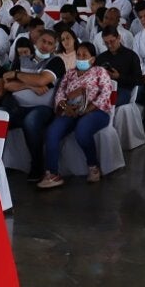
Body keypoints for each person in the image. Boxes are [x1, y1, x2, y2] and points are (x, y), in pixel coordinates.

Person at [37, 43, 115, 188]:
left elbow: (105, 94)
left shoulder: (100, 71)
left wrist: (86, 109)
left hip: (96, 111)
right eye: (78, 55)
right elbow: (60, 92)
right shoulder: (70, 73)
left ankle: (93, 167)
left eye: (84, 55)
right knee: (52, 132)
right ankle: (52, 174)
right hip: (71, 111)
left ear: (92, 59)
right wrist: (65, 107)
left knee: (82, 130)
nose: (80, 58)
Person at [2, 30, 65, 180]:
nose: (45, 46)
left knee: (31, 121)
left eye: (50, 44)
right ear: (36, 41)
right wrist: (30, 86)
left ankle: (37, 165)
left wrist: (18, 76)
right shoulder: (22, 59)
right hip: (17, 106)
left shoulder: (56, 62)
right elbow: (7, 85)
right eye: (43, 41)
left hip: (44, 109)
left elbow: (41, 81)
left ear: (54, 48)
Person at [95, 26, 141, 106]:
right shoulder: (101, 58)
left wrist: (119, 76)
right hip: (104, 90)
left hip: (123, 90)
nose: (109, 45)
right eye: (106, 43)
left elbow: (138, 80)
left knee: (110, 105)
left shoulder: (131, 56)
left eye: (112, 41)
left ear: (119, 38)